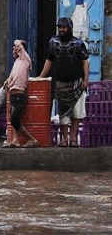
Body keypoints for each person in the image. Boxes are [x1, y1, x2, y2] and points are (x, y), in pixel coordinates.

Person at [38, 17, 90, 147]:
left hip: (77, 83)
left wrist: (86, 80)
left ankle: (73, 138)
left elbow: (85, 62)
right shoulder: (53, 42)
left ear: (70, 28)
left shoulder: (78, 44)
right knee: (63, 113)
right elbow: (49, 60)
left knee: (77, 112)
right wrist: (41, 77)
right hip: (60, 83)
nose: (62, 30)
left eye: (64, 27)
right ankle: (64, 139)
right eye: (60, 27)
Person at [3, 40, 39, 148]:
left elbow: (18, 43)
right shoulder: (17, 62)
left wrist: (18, 43)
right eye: (14, 48)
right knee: (13, 118)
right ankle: (15, 140)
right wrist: (7, 81)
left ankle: (33, 139)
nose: (14, 50)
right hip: (13, 95)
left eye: (16, 48)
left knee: (14, 120)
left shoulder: (25, 58)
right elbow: (13, 76)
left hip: (19, 95)